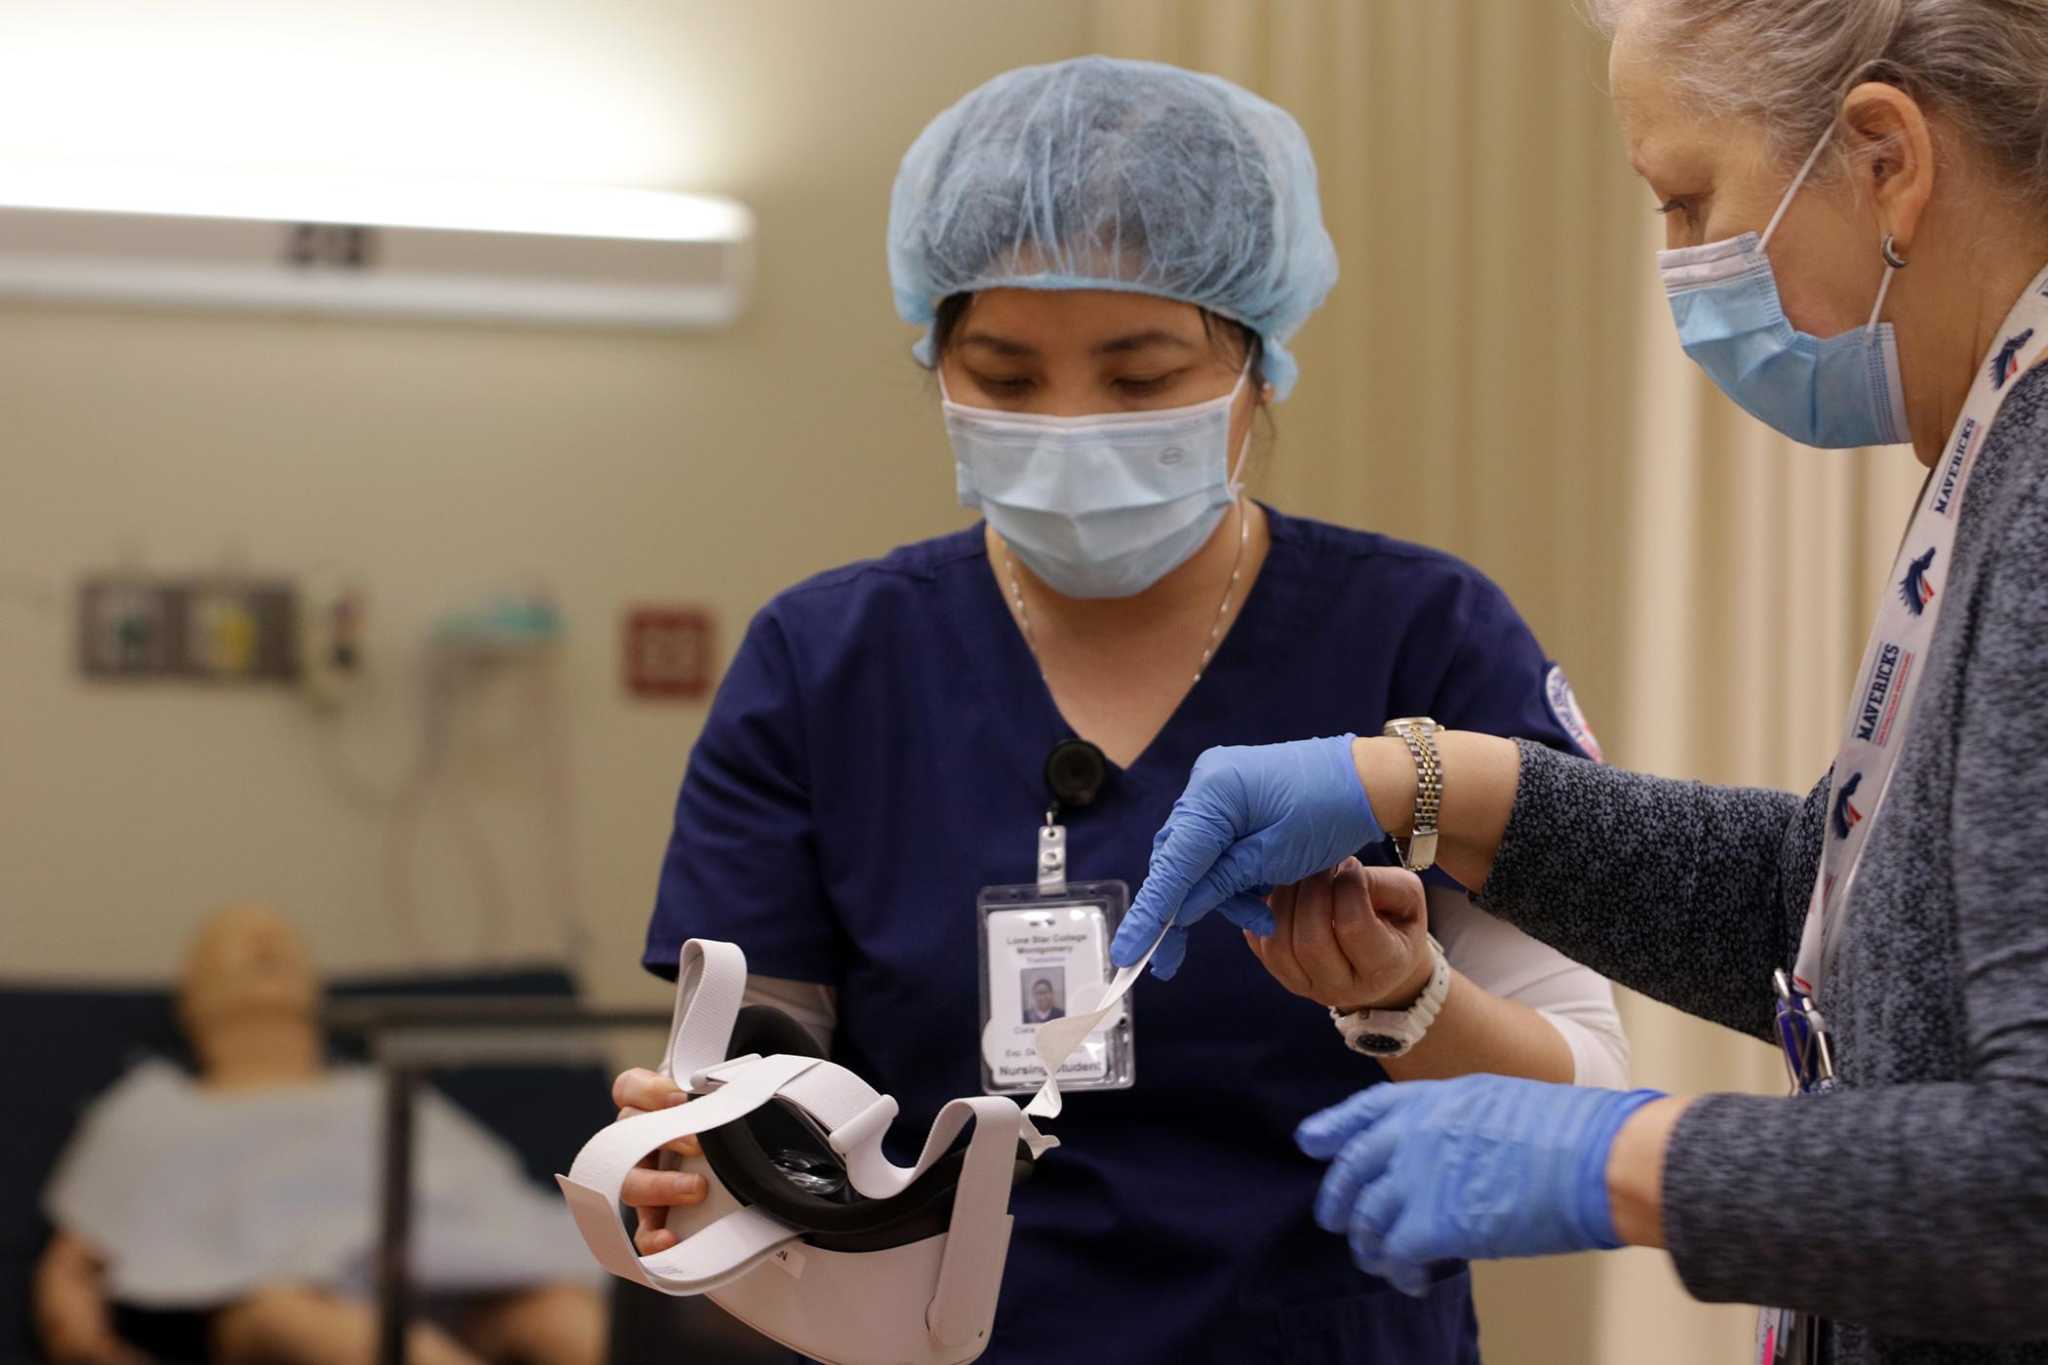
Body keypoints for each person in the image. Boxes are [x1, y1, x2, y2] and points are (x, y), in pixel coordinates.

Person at [614, 56, 1630, 1364]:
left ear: (1261, 364)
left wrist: (1407, 998)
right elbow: (757, 1063)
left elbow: (1590, 1093)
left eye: (1142, 377)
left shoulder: (1422, 640)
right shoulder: (827, 662)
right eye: (1007, 377)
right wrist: (706, 1151)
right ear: (933, 355)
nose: (1072, 425)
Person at [1112, 3, 2048, 1362]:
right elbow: (1856, 920)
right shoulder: (2005, 443)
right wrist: (1429, 784)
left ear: (1884, 156)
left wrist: (1635, 1158)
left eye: (1689, 201)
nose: (1682, 269)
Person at [35, 906, 605, 1365]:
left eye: (280, 941)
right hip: (277, 1300)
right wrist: (85, 1344)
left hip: (452, 1285)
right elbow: (76, 1260)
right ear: (194, 1002)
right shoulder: (152, 1111)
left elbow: (504, 1209)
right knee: (333, 1331)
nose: (265, 945)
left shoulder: (388, 1092)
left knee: (563, 1317)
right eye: (233, 944)